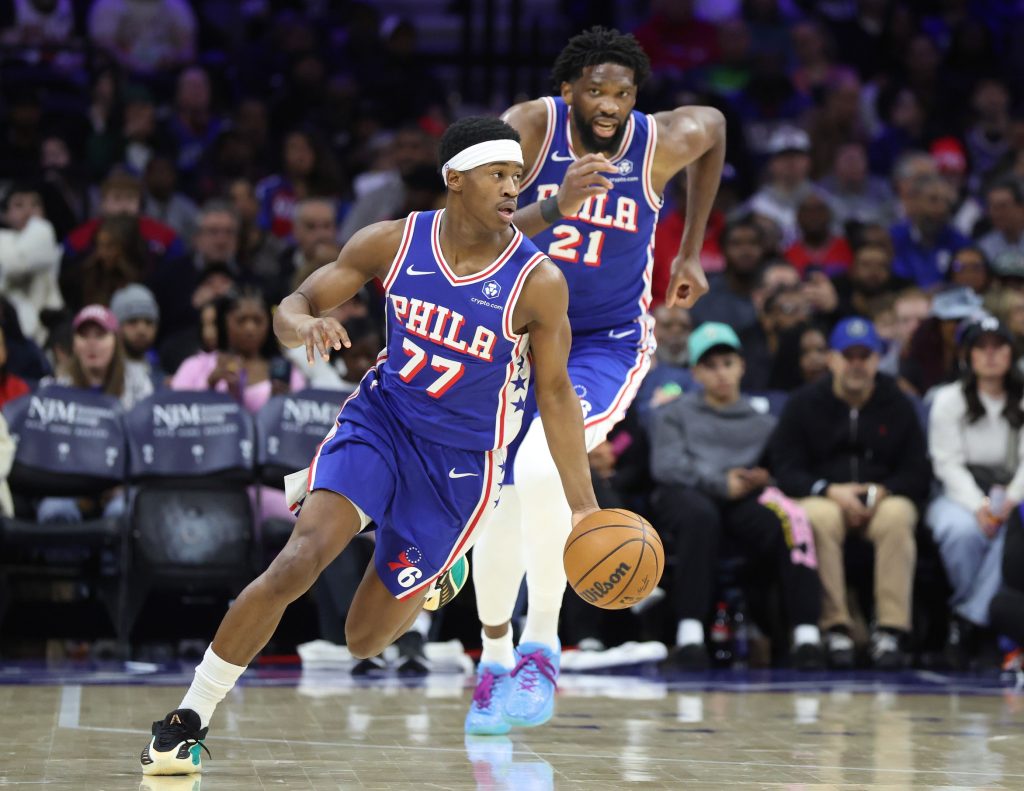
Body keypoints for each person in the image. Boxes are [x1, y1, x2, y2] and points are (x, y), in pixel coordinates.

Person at [140, 116, 600, 776]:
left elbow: (555, 395)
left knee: (363, 639)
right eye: (498, 174)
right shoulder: (392, 240)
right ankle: (189, 716)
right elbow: (293, 301)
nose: (512, 187)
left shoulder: (539, 281)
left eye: (518, 177)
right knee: (297, 560)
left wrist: (583, 509)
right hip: (381, 421)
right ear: (455, 179)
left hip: (459, 464)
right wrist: (305, 323)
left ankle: (440, 574)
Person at [468, 26, 723, 734]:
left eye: (623, 92)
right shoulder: (526, 130)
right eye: (596, 91)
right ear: (568, 92)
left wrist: (692, 249)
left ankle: (542, 646)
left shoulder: (661, 140)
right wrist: (555, 204)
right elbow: (471, 234)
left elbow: (717, 130)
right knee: (501, 496)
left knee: (544, 464)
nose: (609, 104)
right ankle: (492, 659)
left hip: (604, 343)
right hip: (517, 337)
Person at [650, 322, 824, 671]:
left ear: (742, 366)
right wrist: (719, 482)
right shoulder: (674, 413)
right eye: (711, 366)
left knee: (791, 519)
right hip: (687, 494)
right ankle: (690, 634)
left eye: (728, 363)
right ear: (696, 372)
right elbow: (667, 467)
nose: (722, 374)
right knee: (700, 517)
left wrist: (764, 478)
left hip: (743, 498)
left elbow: (783, 468)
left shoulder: (765, 422)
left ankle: (805, 634)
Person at [769, 317, 931, 669]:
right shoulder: (804, 403)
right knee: (817, 516)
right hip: (827, 498)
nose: (857, 364)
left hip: (882, 500)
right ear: (832, 359)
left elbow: (918, 471)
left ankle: (890, 629)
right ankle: (836, 626)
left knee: (900, 515)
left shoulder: (897, 402)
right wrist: (828, 490)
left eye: (865, 356)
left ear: (877, 359)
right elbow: (785, 468)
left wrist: (885, 491)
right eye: (848, 355)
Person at [926, 316, 1024, 669]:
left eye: (999, 346)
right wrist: (978, 505)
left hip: (1013, 495)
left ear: (1012, 353)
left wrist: (1009, 501)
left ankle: (966, 620)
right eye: (981, 347)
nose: (991, 355)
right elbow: (946, 463)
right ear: (967, 355)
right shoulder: (948, 399)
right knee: (960, 532)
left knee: (1009, 541)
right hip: (958, 492)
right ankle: (976, 618)